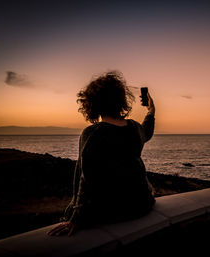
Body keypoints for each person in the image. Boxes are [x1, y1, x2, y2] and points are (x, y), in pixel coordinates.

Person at [48, 71, 156, 236]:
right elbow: (146, 131)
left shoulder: (93, 133)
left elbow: (87, 179)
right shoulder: (134, 128)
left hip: (113, 212)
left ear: (92, 102)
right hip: (143, 204)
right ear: (121, 100)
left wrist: (74, 219)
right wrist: (151, 111)